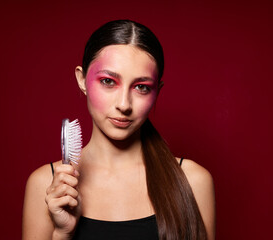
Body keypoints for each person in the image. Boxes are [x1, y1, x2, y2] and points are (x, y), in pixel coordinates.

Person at [22, 19, 215, 240]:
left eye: (141, 87)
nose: (124, 104)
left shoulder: (192, 181)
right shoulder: (47, 186)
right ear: (82, 79)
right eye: (108, 81)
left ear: (157, 92)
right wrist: (62, 233)